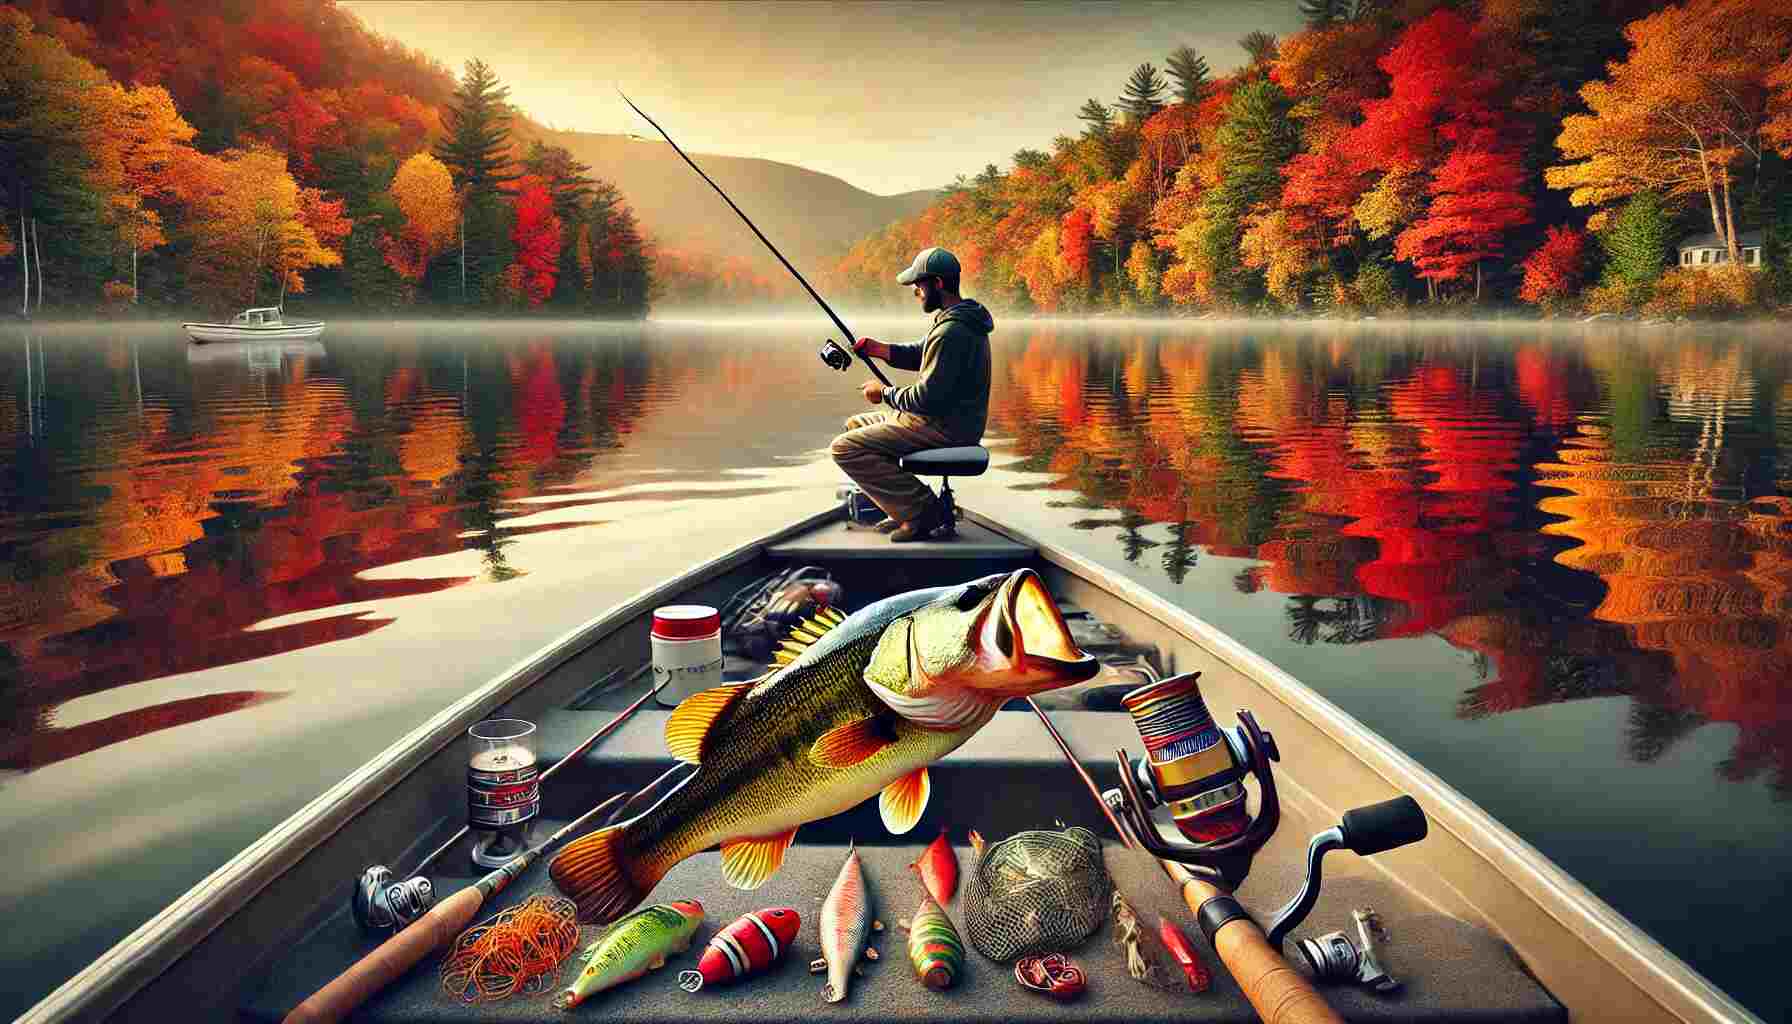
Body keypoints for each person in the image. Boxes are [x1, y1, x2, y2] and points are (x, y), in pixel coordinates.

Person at [831, 246, 994, 542]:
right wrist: (880, 350)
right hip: (939, 421)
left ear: (938, 284)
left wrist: (884, 393)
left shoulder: (952, 331)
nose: (915, 292)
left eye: (918, 285)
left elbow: (926, 398)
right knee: (856, 426)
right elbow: (922, 353)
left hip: (946, 428)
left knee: (844, 448)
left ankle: (923, 512)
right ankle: (902, 509)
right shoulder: (956, 319)